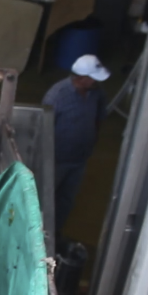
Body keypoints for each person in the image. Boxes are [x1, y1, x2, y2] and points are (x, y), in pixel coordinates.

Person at [43, 54, 110, 236]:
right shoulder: (57, 96)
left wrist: (93, 139)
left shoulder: (96, 93)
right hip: (57, 158)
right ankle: (40, 235)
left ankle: (56, 232)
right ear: (82, 78)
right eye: (93, 79)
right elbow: (44, 129)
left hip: (80, 157)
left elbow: (98, 117)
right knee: (46, 198)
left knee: (67, 199)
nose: (96, 82)